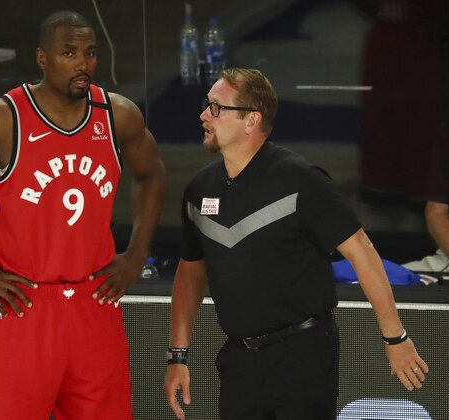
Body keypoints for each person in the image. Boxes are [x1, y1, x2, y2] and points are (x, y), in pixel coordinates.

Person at [0, 10, 165, 419]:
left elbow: (152, 174)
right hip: (23, 305)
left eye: (90, 53)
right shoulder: (0, 119)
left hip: (94, 305)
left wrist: (135, 255)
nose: (82, 63)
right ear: (42, 58)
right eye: (69, 52)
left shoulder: (117, 115)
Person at [163, 68, 428, 420]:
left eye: (215, 107)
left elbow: (361, 251)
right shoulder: (199, 190)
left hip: (303, 357)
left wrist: (394, 338)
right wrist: (177, 356)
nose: (203, 116)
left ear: (250, 120)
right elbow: (190, 272)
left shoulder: (302, 180)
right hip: (238, 360)